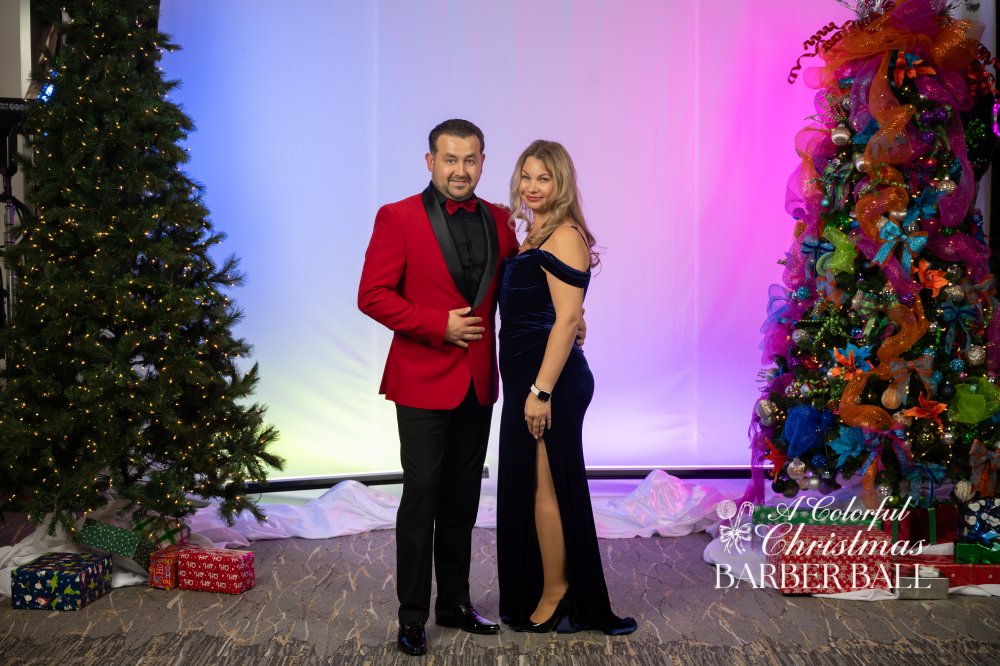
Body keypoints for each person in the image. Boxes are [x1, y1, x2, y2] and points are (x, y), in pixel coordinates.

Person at [357, 119, 518, 656]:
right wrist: (436, 325)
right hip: (421, 380)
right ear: (430, 161)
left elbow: (520, 287)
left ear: (482, 161)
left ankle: (454, 603)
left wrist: (572, 312)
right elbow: (372, 294)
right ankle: (411, 617)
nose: (460, 170)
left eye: (470, 160)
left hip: (477, 382)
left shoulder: (500, 220)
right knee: (421, 498)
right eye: (450, 159)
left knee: (462, 501)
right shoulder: (397, 216)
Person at [496, 140, 636, 635]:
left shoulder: (565, 234)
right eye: (526, 176)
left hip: (549, 384)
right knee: (536, 486)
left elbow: (567, 318)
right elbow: (560, 310)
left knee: (546, 488)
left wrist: (540, 392)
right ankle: (550, 585)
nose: (532, 187)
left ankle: (558, 594)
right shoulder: (534, 232)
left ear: (562, 184)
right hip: (530, 378)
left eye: (544, 178)